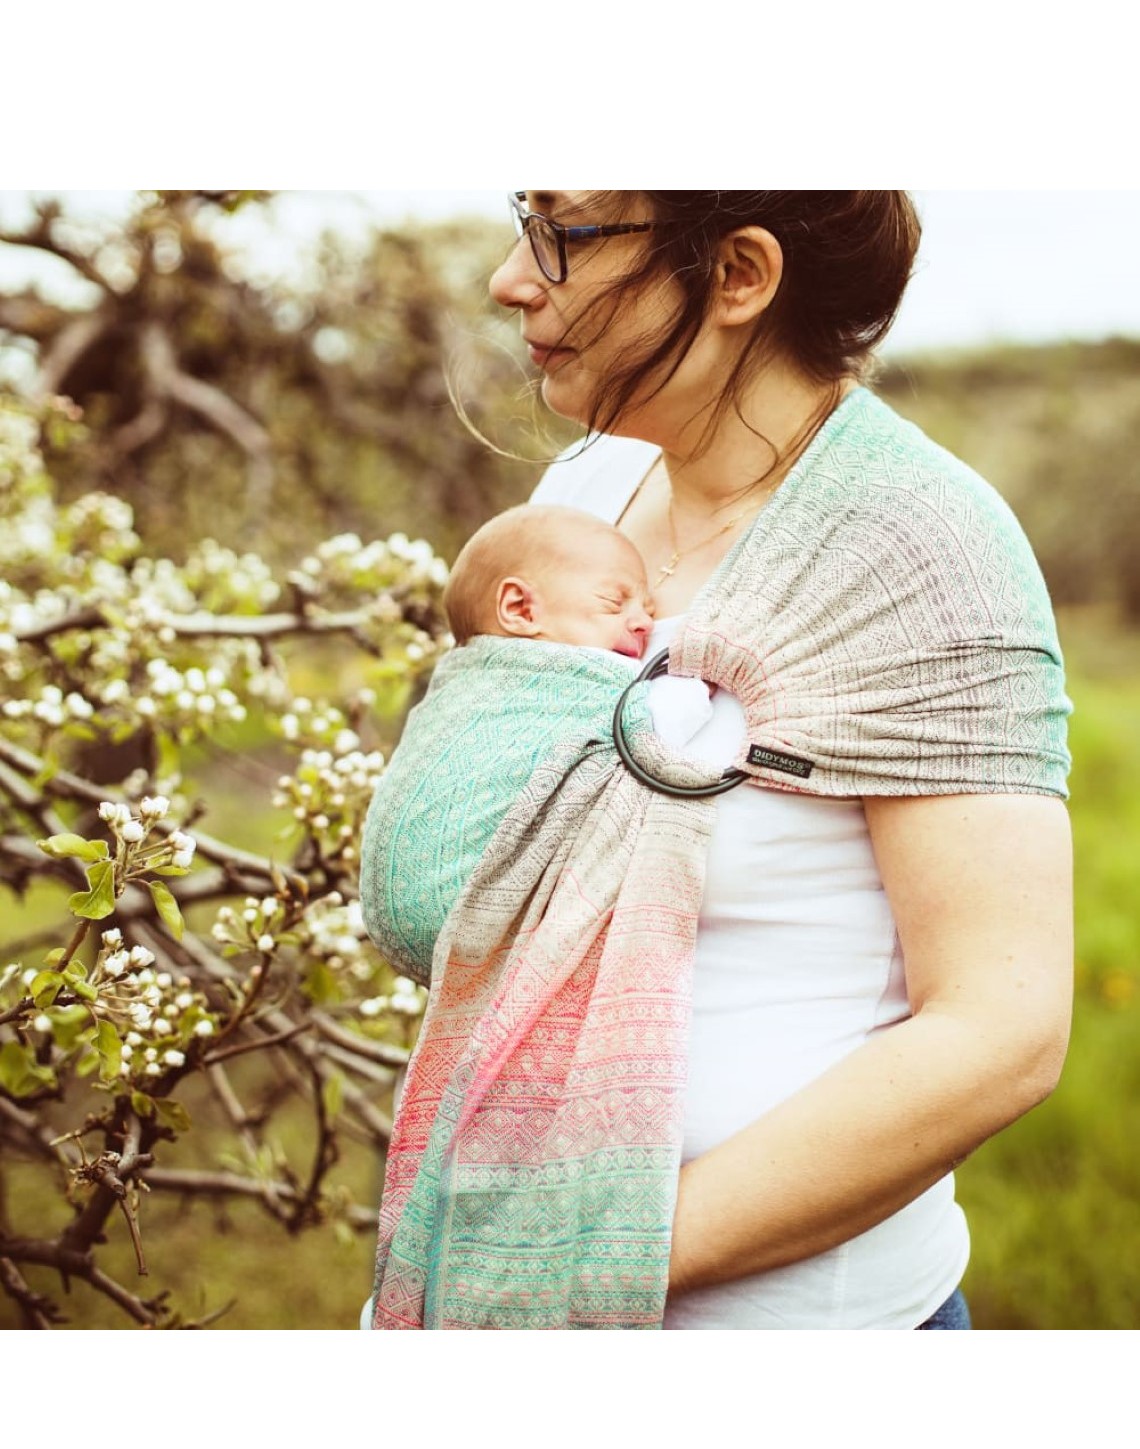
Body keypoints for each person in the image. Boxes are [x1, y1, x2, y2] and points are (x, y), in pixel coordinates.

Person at [366, 191, 1073, 1331]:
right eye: (524, 215)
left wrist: (573, 1261)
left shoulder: (919, 544)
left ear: (741, 275)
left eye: (566, 231)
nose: (510, 276)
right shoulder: (586, 497)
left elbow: (1002, 1032)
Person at [359, 501, 713, 988]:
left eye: (648, 610)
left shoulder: (460, 683)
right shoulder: (565, 676)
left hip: (394, 925)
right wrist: (703, 676)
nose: (643, 623)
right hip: (472, 909)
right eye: (615, 603)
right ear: (521, 610)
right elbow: (659, 725)